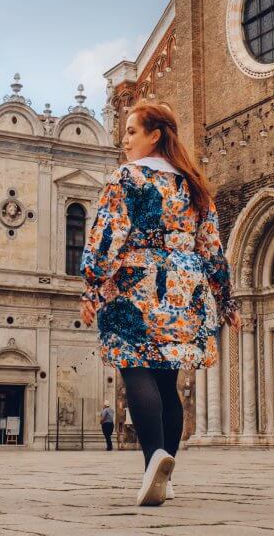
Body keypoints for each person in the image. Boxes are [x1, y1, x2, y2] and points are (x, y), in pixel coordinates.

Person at [81, 100, 240, 507]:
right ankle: (166, 477)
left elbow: (108, 235)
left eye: (132, 131)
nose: (124, 139)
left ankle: (154, 461)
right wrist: (225, 300)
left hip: (135, 281)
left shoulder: (126, 178)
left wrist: (93, 286)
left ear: (154, 135)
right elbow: (213, 248)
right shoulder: (194, 184)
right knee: (168, 379)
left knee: (135, 369)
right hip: (184, 287)